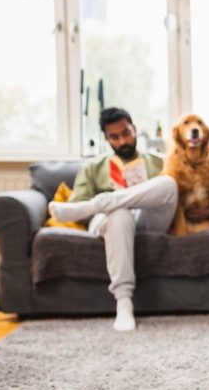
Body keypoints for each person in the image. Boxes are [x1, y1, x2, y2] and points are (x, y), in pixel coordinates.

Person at [48, 108, 178, 331]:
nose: (122, 141)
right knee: (119, 213)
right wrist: (118, 202)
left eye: (126, 133)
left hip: (147, 220)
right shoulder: (93, 168)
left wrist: (135, 194)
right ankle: (124, 303)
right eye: (114, 137)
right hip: (108, 221)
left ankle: (104, 201)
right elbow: (77, 205)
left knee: (169, 184)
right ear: (107, 139)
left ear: (134, 130)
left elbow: (172, 196)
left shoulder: (159, 162)